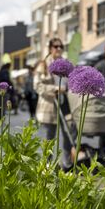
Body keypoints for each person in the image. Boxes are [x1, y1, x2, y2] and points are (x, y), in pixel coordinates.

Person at [34, 38, 72, 169]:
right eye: (56, 46)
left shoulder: (67, 64)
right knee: (49, 137)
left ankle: (67, 163)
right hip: (49, 106)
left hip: (65, 104)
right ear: (50, 48)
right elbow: (37, 86)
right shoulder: (43, 65)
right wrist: (55, 89)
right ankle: (47, 165)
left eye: (61, 46)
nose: (59, 49)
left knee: (68, 133)